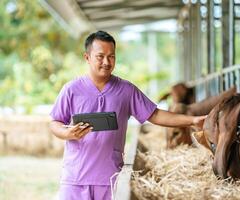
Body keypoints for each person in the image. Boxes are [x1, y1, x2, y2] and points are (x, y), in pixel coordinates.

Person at [49, 30, 207, 200]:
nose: (106, 62)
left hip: (111, 180)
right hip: (75, 180)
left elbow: (155, 115)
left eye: (111, 56)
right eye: (100, 56)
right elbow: (55, 122)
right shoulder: (71, 90)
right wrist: (66, 133)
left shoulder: (126, 90)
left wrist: (192, 120)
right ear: (87, 57)